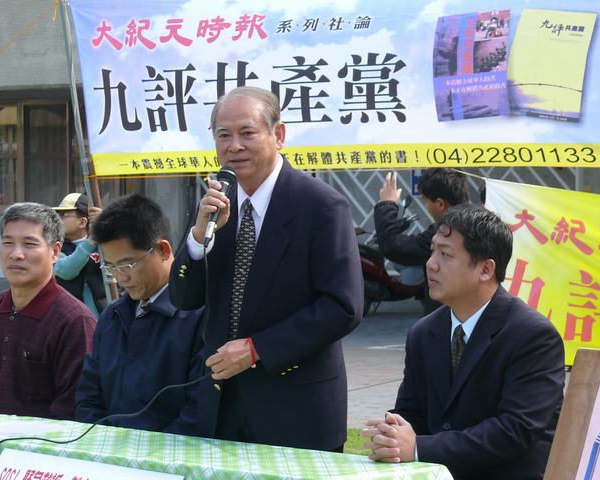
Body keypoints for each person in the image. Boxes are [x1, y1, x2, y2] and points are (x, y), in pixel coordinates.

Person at [169, 86, 363, 451]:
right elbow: (184, 298)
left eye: (247, 133)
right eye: (223, 135)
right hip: (220, 405)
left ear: (279, 135)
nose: (234, 146)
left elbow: (343, 306)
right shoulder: (216, 205)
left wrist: (257, 349)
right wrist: (197, 239)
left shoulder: (321, 205)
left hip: (295, 405)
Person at [362, 204, 565, 480]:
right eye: (432, 250)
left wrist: (419, 447)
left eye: (446, 254)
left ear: (486, 269)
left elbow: (515, 430)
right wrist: (392, 434)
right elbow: (412, 412)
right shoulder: (424, 332)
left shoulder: (533, 335)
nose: (431, 264)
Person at [76, 193, 204, 435]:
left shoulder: (199, 315)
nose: (120, 277)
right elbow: (89, 395)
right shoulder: (113, 316)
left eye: (127, 265)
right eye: (111, 267)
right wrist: (103, 440)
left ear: (163, 250)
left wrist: (147, 453)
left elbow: (199, 409)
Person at [0, 202, 96, 420]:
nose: (16, 254)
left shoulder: (75, 321)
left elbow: (71, 407)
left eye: (29, 244)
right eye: (7, 243)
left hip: (40, 440)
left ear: (55, 251)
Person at [374, 168, 468, 314]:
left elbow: (393, 246)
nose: (431, 264)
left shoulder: (447, 231)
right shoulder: (476, 224)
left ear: (440, 204)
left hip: (447, 315)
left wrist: (387, 203)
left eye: (425, 200)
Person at [53, 192, 106, 317]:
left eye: (63, 215)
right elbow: (66, 271)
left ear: (82, 222)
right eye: (57, 214)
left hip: (104, 317)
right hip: (68, 316)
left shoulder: (105, 244)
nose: (57, 219)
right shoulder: (55, 246)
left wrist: (109, 223)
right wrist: (91, 241)